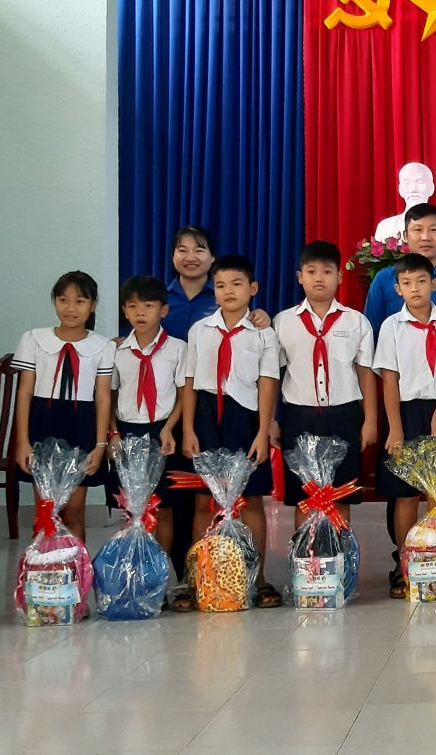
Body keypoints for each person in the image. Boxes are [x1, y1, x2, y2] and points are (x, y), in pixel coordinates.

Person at [179, 254, 282, 608]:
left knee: (251, 499)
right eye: (220, 285)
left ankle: (259, 577)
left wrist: (263, 431)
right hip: (207, 418)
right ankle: (197, 576)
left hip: (246, 418)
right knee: (203, 500)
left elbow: (267, 383)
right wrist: (189, 428)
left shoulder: (264, 333)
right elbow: (190, 382)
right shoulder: (199, 331)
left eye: (236, 284)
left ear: (252, 288)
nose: (228, 291)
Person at [373, 254, 436, 599]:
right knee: (405, 494)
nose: (415, 289)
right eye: (407, 283)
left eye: (421, 281)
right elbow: (389, 379)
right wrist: (395, 428)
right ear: (398, 289)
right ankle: (405, 564)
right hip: (406, 412)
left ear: (434, 284)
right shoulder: (391, 327)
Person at [272, 240, 377, 530]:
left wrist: (370, 420)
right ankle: (305, 556)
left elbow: (366, 374)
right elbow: (273, 376)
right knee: (305, 498)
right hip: (299, 416)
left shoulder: (356, 322)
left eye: (327, 272)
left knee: (340, 495)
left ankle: (339, 554)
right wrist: (271, 420)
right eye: (311, 271)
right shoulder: (283, 322)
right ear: (299, 277)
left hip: (344, 415)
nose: (319, 278)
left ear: (340, 276)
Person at [11, 271, 114, 545]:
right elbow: (24, 392)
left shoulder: (102, 346)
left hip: (81, 426)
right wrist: (22, 442)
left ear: (93, 305)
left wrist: (100, 445)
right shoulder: (34, 339)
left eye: (80, 301)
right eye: (63, 300)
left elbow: (103, 398)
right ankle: (43, 568)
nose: (70, 308)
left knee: (74, 511)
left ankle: (75, 569)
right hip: (42, 424)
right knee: (46, 511)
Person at [108, 275, 188, 602]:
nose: (139, 313)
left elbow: (184, 394)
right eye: (132, 306)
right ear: (124, 311)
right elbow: (110, 397)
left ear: (163, 310)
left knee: (164, 508)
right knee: (134, 510)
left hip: (164, 431)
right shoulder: (116, 351)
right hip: (128, 431)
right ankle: (137, 576)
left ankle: (162, 576)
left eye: (148, 306)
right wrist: (113, 433)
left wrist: (170, 428)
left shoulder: (178, 349)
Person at [365, 203, 436, 332]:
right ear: (405, 236)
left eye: (433, 230)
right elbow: (372, 333)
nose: (425, 237)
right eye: (418, 230)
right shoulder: (384, 279)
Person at [160, 225, 272, 340]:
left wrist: (260, 317)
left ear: (212, 256)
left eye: (199, 251)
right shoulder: (159, 298)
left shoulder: (226, 295)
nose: (190, 258)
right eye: (183, 251)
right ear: (173, 256)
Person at [373, 162, 436, 245]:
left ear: (431, 188)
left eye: (420, 182)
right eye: (407, 183)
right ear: (400, 189)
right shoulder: (385, 227)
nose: (413, 189)